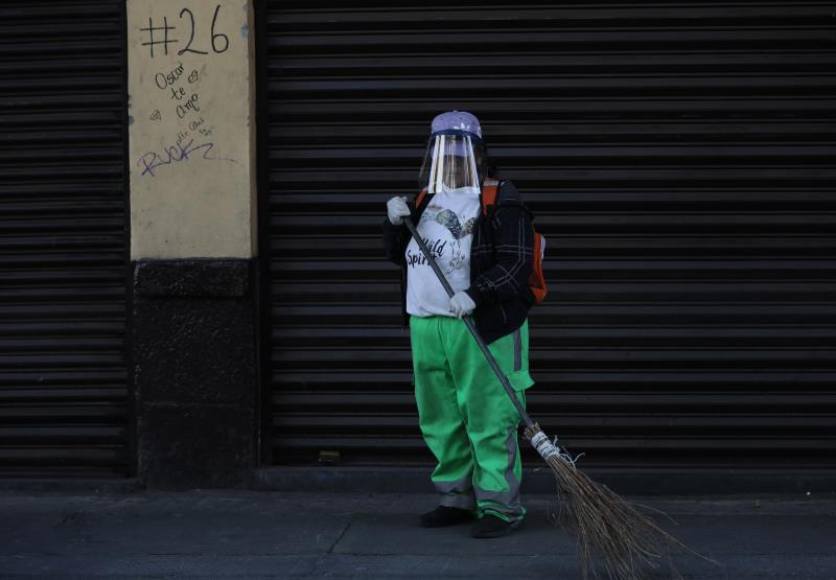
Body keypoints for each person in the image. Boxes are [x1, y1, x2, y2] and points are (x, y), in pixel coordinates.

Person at [382, 111, 537, 538]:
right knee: (440, 417)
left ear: (478, 153)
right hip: (427, 324)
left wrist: (478, 292)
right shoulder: (425, 200)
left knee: (489, 416)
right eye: (442, 151)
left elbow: (517, 264)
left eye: (459, 151)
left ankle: (500, 507)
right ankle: (456, 497)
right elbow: (399, 255)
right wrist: (393, 225)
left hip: (481, 326)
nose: (450, 160)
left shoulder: (498, 199)